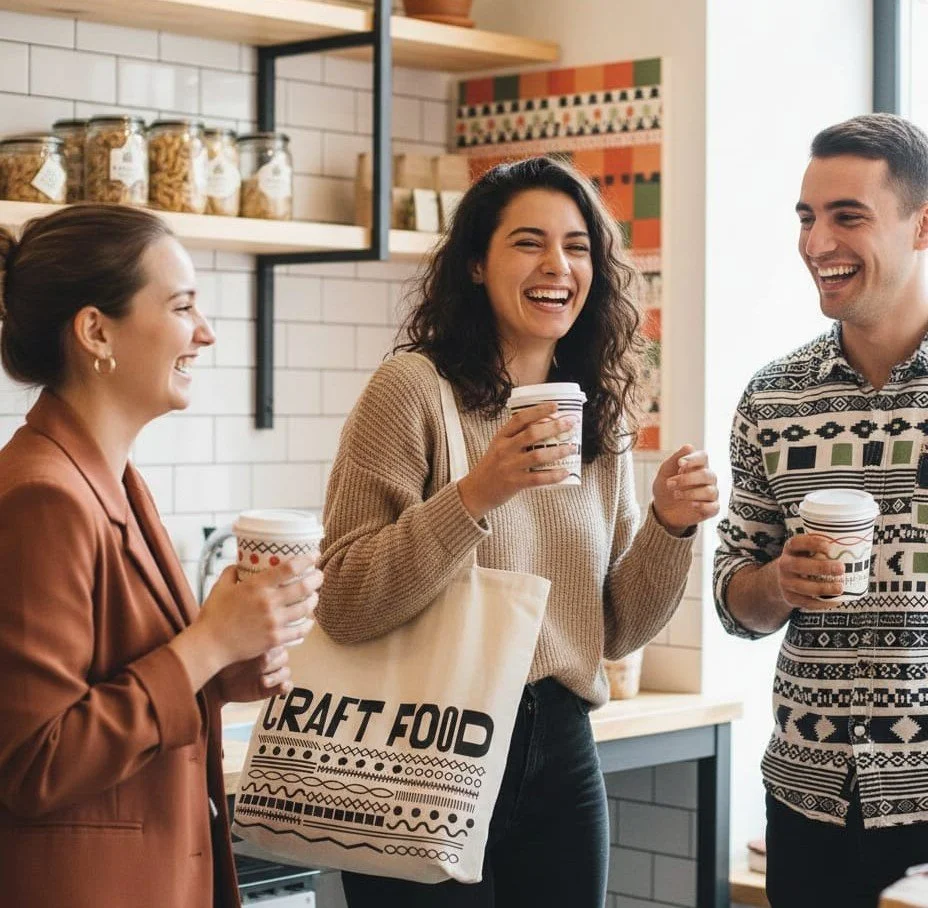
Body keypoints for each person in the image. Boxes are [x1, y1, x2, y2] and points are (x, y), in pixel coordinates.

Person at [315, 156, 720, 907]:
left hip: (560, 742)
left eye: (576, 246)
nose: (557, 266)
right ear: (475, 262)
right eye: (528, 242)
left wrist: (669, 526)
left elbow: (618, 629)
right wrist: (477, 492)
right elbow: (344, 598)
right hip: (420, 739)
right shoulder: (411, 390)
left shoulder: (598, 409)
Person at [0, 204, 322, 908]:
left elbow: (118, 687)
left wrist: (229, 668)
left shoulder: (112, 479)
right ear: (95, 331)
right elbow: (33, 760)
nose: (204, 333)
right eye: (181, 307)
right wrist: (206, 646)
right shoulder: (42, 499)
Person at [713, 113, 928, 908]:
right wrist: (777, 582)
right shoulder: (772, 398)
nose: (816, 243)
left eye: (848, 216)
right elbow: (734, 597)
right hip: (812, 805)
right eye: (807, 217)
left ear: (923, 224)